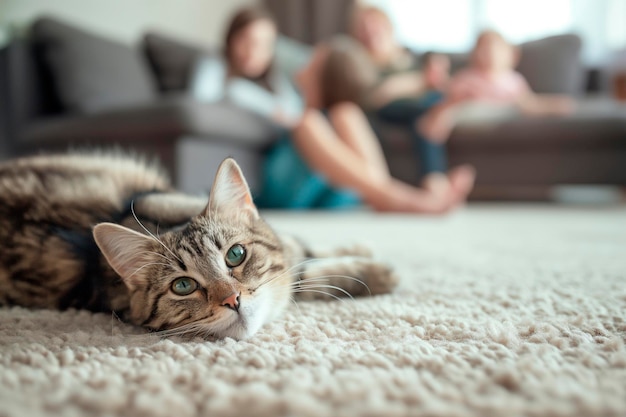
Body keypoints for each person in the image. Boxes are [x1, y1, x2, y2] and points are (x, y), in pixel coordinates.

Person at [255, 37, 475, 213]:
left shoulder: (338, 114)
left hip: (330, 196)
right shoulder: (289, 99)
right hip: (285, 192)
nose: (305, 62)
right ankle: (406, 201)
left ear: (324, 76)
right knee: (308, 121)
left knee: (347, 112)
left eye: (315, 59)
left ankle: (386, 199)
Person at [349, 5, 456, 184]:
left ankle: (434, 182)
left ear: (388, 27)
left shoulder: (409, 57)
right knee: (425, 111)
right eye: (363, 27)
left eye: (374, 25)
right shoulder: (358, 61)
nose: (370, 31)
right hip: (383, 111)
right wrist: (415, 82)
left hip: (418, 109)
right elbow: (374, 95)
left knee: (425, 117)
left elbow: (436, 83)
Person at [418, 30, 575, 142]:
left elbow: (528, 100)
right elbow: (451, 94)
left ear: (510, 55)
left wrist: (551, 104)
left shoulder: (513, 80)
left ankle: (549, 106)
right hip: (470, 110)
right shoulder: (469, 76)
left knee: (523, 107)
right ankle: (436, 121)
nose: (490, 53)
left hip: (504, 110)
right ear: (475, 54)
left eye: (495, 48)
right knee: (454, 108)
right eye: (484, 49)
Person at [190, 6, 302, 126]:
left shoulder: (273, 77)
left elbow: (294, 113)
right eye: (246, 41)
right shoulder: (214, 63)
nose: (252, 52)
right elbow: (200, 107)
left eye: (264, 45)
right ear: (230, 39)